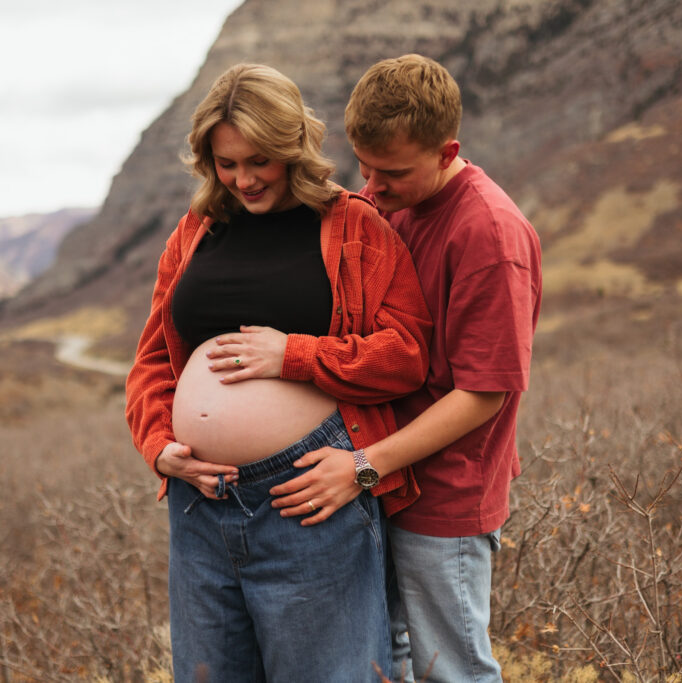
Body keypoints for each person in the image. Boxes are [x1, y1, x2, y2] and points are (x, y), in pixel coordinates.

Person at [124, 63, 432, 682]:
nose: (243, 178)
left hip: (310, 498)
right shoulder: (194, 234)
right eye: (226, 163)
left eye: (258, 160)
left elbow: (406, 354)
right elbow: (154, 359)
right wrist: (161, 448)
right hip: (200, 507)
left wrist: (293, 354)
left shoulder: (353, 227)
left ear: (292, 147)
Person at [270, 54, 542, 682]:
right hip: (379, 483)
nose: (372, 186)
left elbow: (482, 395)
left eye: (392, 173)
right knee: (382, 662)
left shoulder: (490, 236)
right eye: (363, 166)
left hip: (442, 495)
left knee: (453, 670)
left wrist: (362, 468)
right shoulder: (382, 203)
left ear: (448, 151)